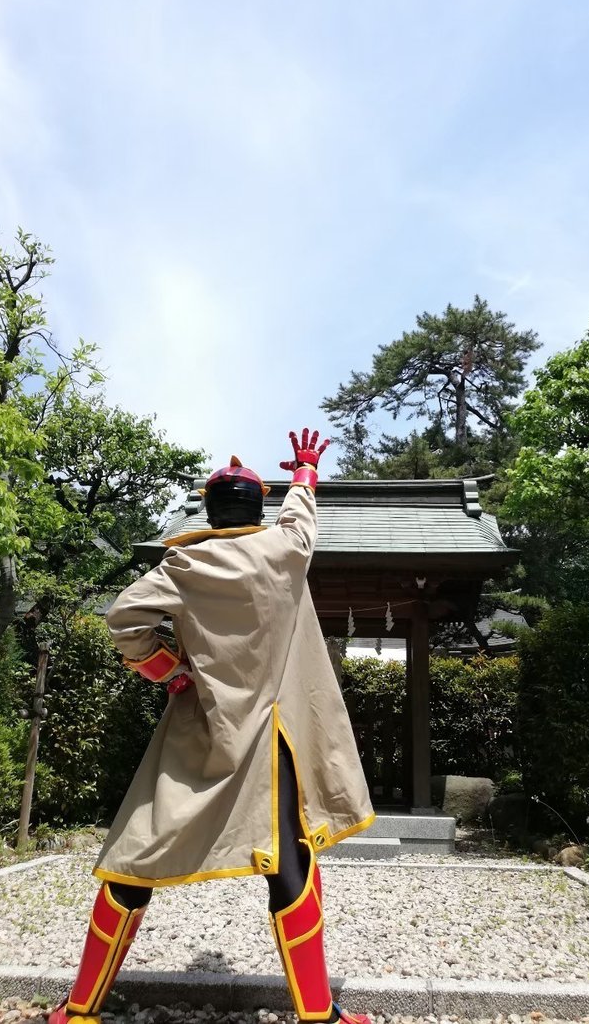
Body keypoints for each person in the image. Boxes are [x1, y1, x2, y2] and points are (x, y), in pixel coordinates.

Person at [48, 429, 375, 1024]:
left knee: (134, 855)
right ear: (257, 507)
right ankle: (318, 1015)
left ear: (209, 510)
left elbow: (123, 618)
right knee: (292, 864)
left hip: (201, 731)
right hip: (276, 738)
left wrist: (166, 668)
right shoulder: (286, 549)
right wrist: (304, 468)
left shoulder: (183, 563)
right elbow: (302, 518)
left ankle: (79, 1009)